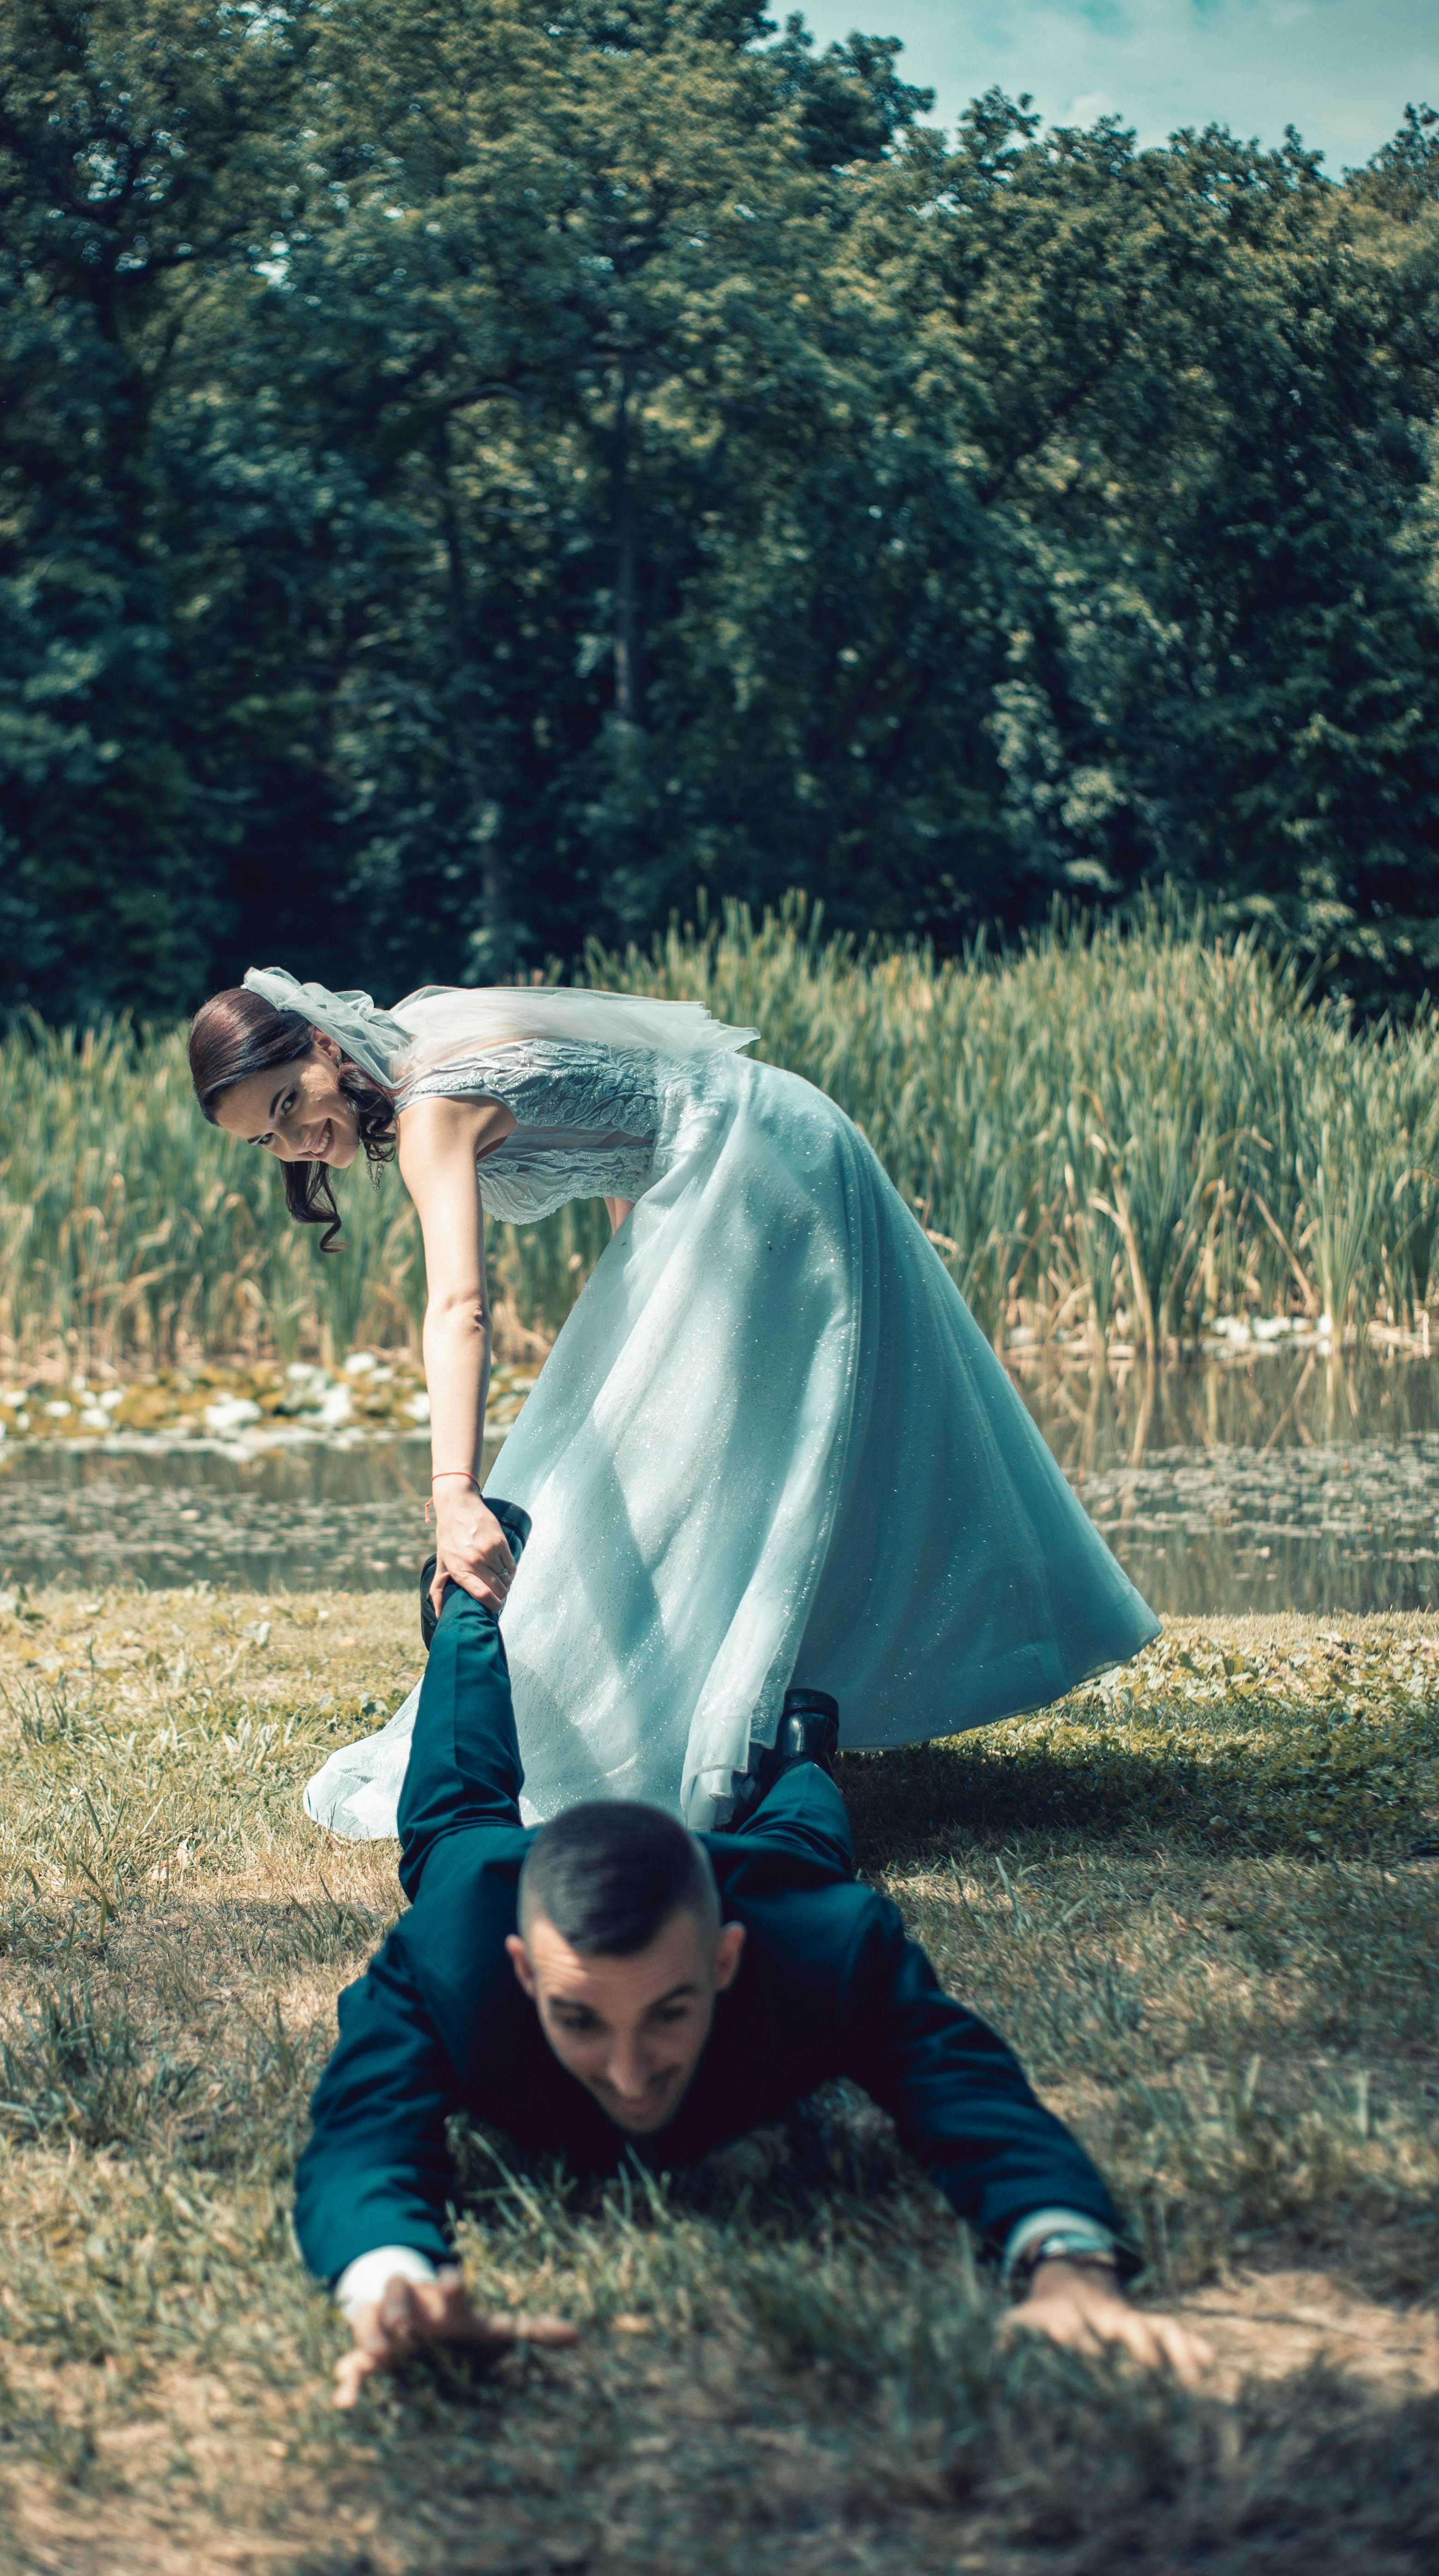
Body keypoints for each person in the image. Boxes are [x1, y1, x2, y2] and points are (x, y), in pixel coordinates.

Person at [187, 965, 1157, 1836]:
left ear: (320, 1044)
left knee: (746, 1445)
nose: (294, 1139)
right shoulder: (423, 1054)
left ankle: (721, 1715)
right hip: (764, 1136)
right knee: (702, 1438)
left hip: (760, 1163)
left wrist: (454, 1491)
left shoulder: (431, 1105)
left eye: (287, 1101)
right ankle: (762, 1704)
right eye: (265, 1136)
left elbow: (458, 1306)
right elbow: (635, 1123)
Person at [295, 1504, 1208, 2408]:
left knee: (805, 1851)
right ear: (525, 1973)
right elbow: (361, 2138)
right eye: (579, 2017)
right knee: (451, 1813)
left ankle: (802, 1750)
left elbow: (969, 2094)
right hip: (499, 1874)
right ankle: (464, 1612)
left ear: (727, 1958)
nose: (629, 2072)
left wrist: (1071, 2267)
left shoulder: (827, 1948)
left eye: (668, 2012)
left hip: (762, 1880)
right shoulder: (445, 1963)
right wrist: (388, 2284)